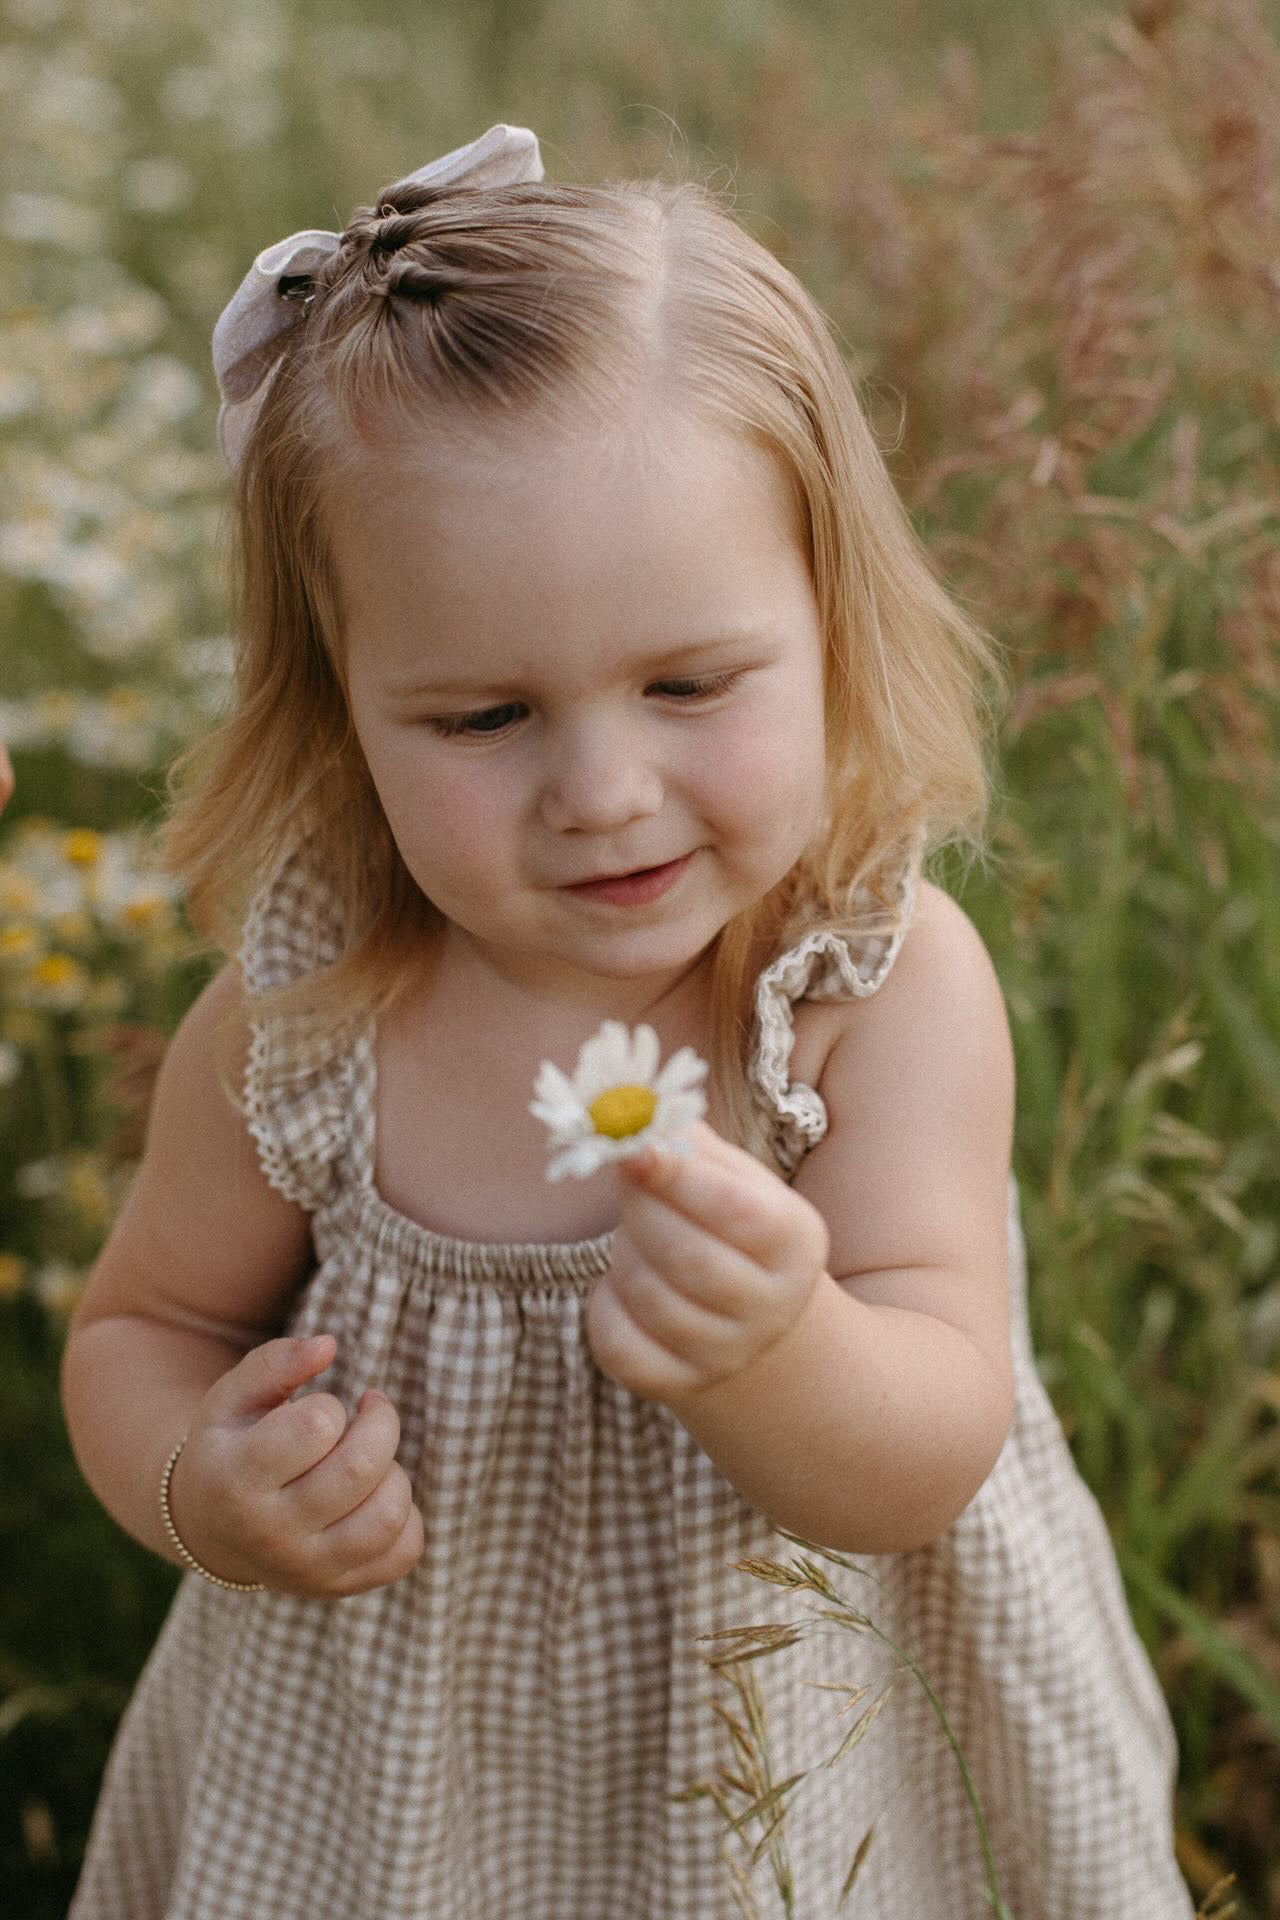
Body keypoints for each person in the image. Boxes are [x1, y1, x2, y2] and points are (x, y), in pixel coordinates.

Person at [60, 125, 1194, 1920]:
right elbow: (142, 1323)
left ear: (830, 618)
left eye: (687, 684)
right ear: (337, 706)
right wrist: (207, 1485)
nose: (602, 791)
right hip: (395, 1792)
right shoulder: (305, 1015)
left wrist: (777, 1351)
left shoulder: (861, 998)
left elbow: (927, 1446)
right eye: (484, 717)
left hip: (808, 1776)